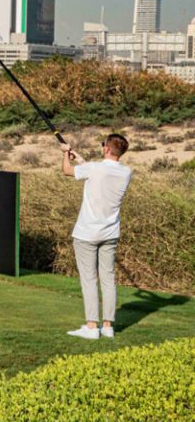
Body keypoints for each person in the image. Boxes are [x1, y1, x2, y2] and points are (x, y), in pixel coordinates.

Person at [63, 133, 132, 340]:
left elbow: (66, 171)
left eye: (104, 145)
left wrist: (66, 154)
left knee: (89, 279)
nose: (103, 147)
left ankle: (92, 327)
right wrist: (81, 159)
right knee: (108, 280)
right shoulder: (126, 172)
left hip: (86, 234)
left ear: (107, 149)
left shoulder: (94, 168)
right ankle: (108, 326)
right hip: (110, 233)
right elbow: (98, 173)